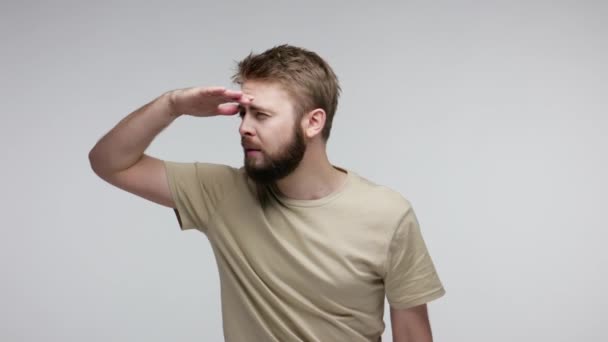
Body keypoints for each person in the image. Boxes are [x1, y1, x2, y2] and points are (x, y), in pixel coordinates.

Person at [89, 44, 445, 342]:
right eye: (243, 113)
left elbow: (413, 334)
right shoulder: (221, 193)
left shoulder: (387, 213)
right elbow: (110, 162)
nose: (244, 127)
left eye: (261, 115)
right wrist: (172, 106)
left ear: (313, 122)